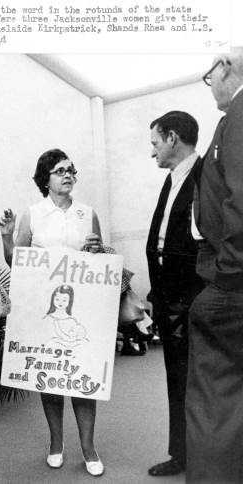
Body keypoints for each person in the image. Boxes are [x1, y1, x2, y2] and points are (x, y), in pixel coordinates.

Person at [0, 148, 105, 477]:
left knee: (81, 377)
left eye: (72, 170)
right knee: (52, 377)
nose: (68, 175)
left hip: (81, 306)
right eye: (60, 170)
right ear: (45, 178)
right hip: (43, 307)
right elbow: (16, 261)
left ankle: (89, 447)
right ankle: (56, 442)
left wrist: (96, 252)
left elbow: (100, 259)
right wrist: (6, 235)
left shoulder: (88, 213)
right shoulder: (33, 214)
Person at [187, 48, 243, 483]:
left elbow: (240, 203)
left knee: (213, 393)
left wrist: (226, 274)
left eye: (211, 76)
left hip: (232, 284)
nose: (211, 87)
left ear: (226, 68)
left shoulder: (238, 117)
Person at [145, 111, 204, 477]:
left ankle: (205, 457)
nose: (152, 151)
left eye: (154, 142)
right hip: (170, 299)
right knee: (178, 380)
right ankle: (181, 454)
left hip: (194, 300)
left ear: (172, 138)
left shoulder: (204, 177)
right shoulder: (173, 179)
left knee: (200, 382)